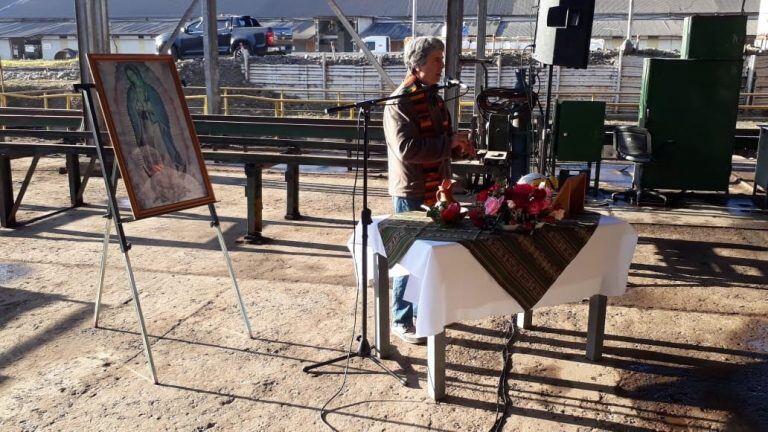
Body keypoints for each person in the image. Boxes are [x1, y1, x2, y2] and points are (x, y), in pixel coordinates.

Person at [383, 36, 475, 344]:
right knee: (409, 257)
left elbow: (442, 142)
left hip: (437, 188)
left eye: (441, 59)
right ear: (418, 64)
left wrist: (459, 146)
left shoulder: (434, 98)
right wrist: (447, 144)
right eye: (437, 60)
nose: (442, 66)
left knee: (432, 257)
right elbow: (407, 150)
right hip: (412, 190)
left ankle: (426, 311)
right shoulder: (400, 101)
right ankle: (400, 318)